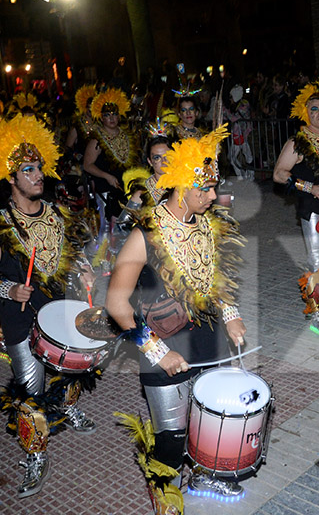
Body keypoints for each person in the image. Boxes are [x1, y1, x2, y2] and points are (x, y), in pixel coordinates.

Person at [105, 125, 248, 515]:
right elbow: (117, 304)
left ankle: (202, 472)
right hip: (160, 341)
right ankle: (163, 487)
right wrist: (156, 351)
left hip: (207, 337)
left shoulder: (209, 222)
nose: (213, 197)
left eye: (214, 188)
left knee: (208, 418)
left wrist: (231, 314)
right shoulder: (145, 234)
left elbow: (218, 278)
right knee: (171, 433)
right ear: (181, 186)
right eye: (205, 189)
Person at [0, 114, 97, 498]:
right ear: (11, 178)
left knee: (74, 369)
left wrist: (85, 269)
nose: (38, 175)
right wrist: (8, 290)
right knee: (29, 392)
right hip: (22, 323)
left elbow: (71, 254)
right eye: (28, 170)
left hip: (63, 310)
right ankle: (36, 455)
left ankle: (69, 409)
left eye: (39, 167)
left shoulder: (56, 212)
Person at [272, 80, 319, 335]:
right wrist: (308, 186)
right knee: (316, 261)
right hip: (313, 209)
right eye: (314, 108)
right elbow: (279, 174)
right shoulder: (298, 142)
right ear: (306, 112)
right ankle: (316, 313)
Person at [82, 88, 141, 221]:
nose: (111, 118)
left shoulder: (127, 135)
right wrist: (107, 176)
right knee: (107, 225)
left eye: (114, 114)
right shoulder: (96, 139)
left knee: (128, 222)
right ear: (101, 118)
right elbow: (87, 165)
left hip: (125, 188)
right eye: (107, 115)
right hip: (105, 189)